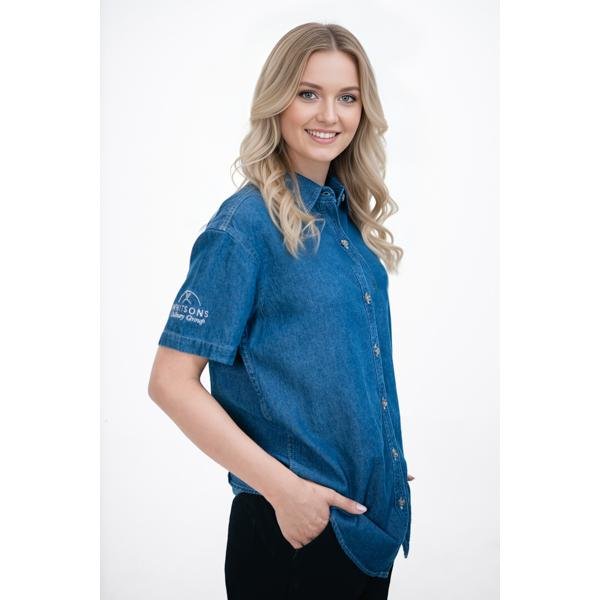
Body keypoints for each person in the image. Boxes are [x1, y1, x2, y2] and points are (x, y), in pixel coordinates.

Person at [148, 21, 414, 600]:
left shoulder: (346, 224)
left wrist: (372, 454)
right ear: (277, 100)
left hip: (363, 529)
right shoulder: (243, 228)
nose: (329, 115)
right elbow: (170, 382)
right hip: (290, 532)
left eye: (347, 97)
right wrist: (287, 492)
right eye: (308, 93)